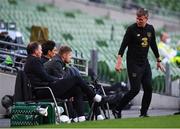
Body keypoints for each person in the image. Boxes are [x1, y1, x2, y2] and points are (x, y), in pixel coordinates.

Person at [24, 42, 108, 122]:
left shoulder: (31, 61)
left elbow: (45, 77)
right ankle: (96, 97)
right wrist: (58, 80)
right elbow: (45, 77)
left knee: (77, 89)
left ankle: (81, 117)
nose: (41, 51)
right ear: (35, 51)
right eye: (40, 50)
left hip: (45, 88)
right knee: (76, 78)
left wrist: (57, 80)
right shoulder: (35, 61)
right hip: (45, 90)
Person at [114, 8, 165, 118]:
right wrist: (119, 62)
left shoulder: (150, 29)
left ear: (146, 18)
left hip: (144, 62)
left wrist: (158, 60)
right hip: (133, 63)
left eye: (141, 19)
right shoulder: (131, 29)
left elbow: (154, 45)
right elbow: (123, 46)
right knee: (135, 90)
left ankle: (143, 113)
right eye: (137, 18)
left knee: (148, 88)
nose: (138, 21)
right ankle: (117, 108)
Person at [44, 45, 104, 120]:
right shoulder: (56, 62)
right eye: (70, 55)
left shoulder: (60, 62)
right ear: (64, 55)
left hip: (55, 88)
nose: (71, 57)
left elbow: (63, 80)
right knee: (77, 80)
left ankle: (83, 117)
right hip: (49, 90)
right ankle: (95, 97)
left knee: (79, 89)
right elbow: (61, 80)